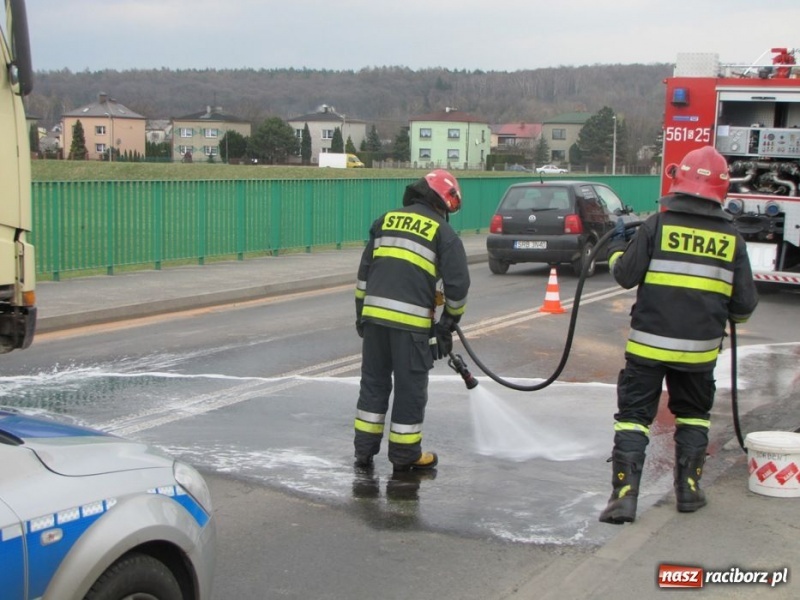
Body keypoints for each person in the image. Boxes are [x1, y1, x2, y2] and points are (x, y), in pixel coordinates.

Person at [599, 146, 758, 524]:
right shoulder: (732, 238)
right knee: (693, 416)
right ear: (722, 190)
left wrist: (618, 249)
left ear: (679, 182)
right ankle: (688, 490)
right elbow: (744, 306)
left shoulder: (657, 225)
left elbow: (625, 276)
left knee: (634, 418)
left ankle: (623, 496)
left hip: (648, 348)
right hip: (699, 354)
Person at [353, 169, 470, 473]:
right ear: (441, 202)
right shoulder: (442, 232)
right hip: (411, 328)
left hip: (375, 320)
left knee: (373, 384)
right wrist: (447, 324)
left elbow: (364, 273)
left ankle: (363, 452)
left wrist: (361, 315)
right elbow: (458, 286)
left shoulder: (385, 220)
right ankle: (405, 455)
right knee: (409, 389)